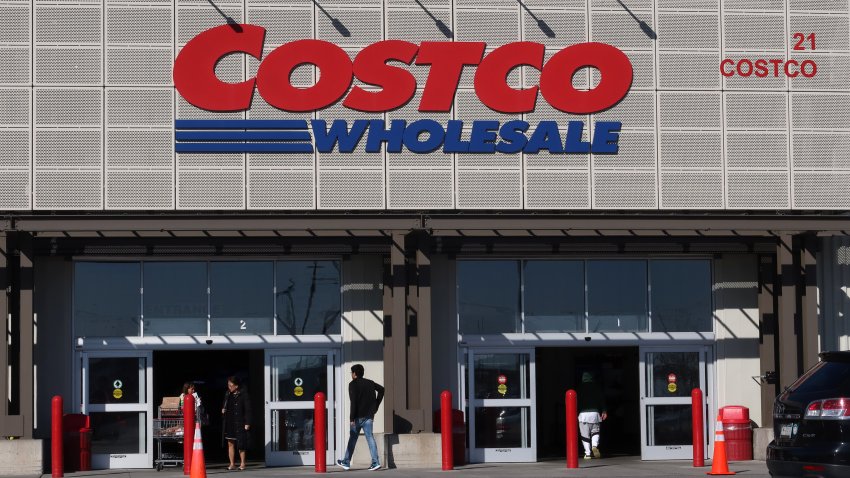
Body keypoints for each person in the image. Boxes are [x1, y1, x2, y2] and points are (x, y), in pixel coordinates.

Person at [336, 364, 384, 471]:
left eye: (352, 372)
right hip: (369, 416)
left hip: (357, 417)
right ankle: (375, 462)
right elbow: (382, 389)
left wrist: (351, 418)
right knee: (370, 438)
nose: (351, 375)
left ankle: (346, 462)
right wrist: (376, 405)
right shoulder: (370, 383)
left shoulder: (352, 384)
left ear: (354, 374)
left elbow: (354, 402)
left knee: (353, 438)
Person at [221, 376, 251, 471]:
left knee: (241, 443)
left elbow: (248, 409)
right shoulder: (227, 394)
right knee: (230, 443)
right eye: (228, 385)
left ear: (236, 386)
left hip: (240, 421)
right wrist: (223, 409)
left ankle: (242, 463)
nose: (229, 387)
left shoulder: (243, 394)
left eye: (231, 385)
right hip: (230, 421)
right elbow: (225, 404)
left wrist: (247, 422)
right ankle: (232, 464)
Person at [577, 371, 607, 459]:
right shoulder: (597, 387)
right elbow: (602, 400)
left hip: (583, 415)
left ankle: (587, 453)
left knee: (585, 435)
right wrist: (604, 411)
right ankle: (594, 446)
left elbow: (576, 403)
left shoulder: (579, 389)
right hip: (595, 413)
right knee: (595, 432)